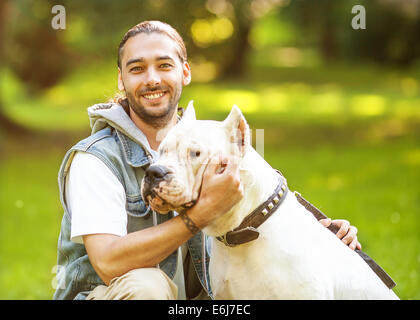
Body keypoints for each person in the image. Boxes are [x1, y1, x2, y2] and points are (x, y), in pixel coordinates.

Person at [53, 20, 361, 300]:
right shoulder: (95, 159)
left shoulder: (210, 145)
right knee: (147, 288)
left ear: (184, 72)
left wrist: (314, 239)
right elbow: (108, 262)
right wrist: (198, 217)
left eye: (164, 65)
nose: (151, 79)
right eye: (136, 69)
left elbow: (250, 220)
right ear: (121, 79)